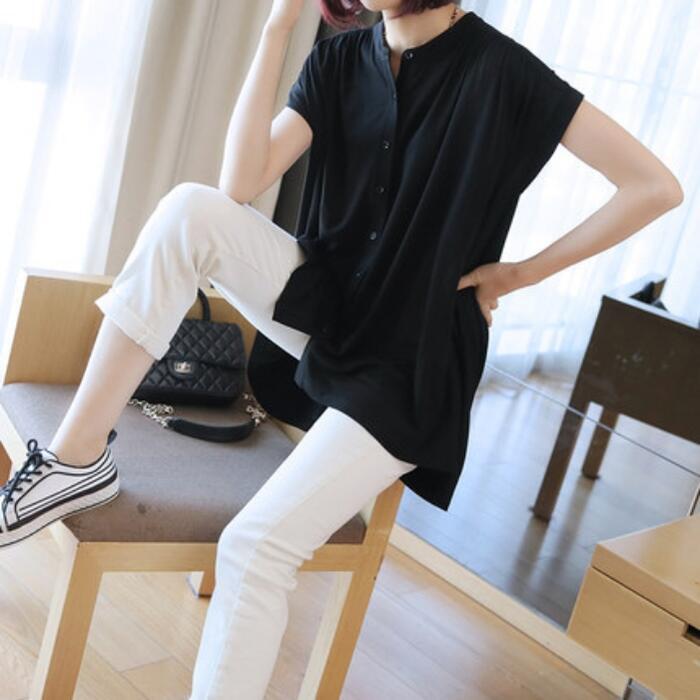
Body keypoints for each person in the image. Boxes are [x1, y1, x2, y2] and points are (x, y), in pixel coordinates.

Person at [1, 0, 683, 697]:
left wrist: (519, 273)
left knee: (255, 546)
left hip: (407, 362)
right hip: (326, 310)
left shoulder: (500, 70)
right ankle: (76, 460)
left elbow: (656, 187)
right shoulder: (338, 58)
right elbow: (238, 186)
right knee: (189, 209)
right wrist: (277, 28)